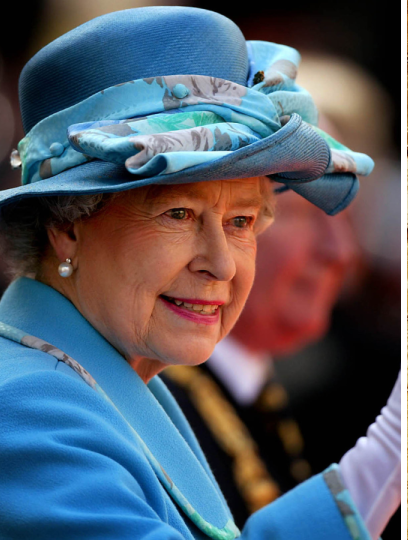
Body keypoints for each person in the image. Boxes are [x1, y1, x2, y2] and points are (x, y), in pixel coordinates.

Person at [0, 7, 399, 540]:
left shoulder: (107, 369)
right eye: (179, 215)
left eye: (241, 221)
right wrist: (387, 453)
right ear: (66, 226)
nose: (221, 263)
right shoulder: (23, 411)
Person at [160, 187, 361, 522]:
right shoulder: (156, 404)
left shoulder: (267, 392)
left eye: (348, 217)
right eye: (302, 214)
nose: (340, 250)